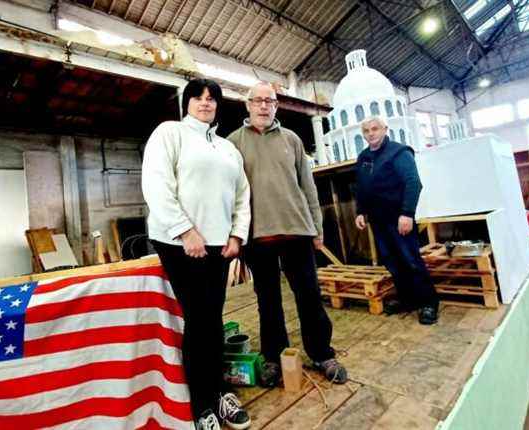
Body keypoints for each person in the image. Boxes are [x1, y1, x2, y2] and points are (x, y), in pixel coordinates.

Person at [142, 78, 251, 430]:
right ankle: (203, 405)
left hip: (219, 243)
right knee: (201, 320)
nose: (205, 103)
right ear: (187, 102)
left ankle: (218, 393)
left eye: (212, 98)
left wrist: (237, 234)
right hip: (180, 243)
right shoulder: (169, 133)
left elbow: (241, 195)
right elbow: (156, 183)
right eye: (198, 97)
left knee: (213, 319)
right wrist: (184, 230)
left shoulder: (227, 148)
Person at [227, 82, 347, 388]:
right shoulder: (232, 143)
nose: (264, 106)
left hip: (297, 232)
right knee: (268, 301)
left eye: (270, 101)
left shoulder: (292, 140)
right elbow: (228, 193)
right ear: (248, 105)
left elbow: (308, 187)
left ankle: (322, 353)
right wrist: (235, 235)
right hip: (257, 236)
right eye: (258, 101)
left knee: (309, 296)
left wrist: (317, 229)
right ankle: (273, 357)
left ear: (276, 106)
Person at [353, 116, 439, 325]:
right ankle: (408, 299)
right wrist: (360, 211)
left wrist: (407, 213)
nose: (371, 133)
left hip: (399, 218)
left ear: (385, 129)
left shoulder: (399, 152)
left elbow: (413, 183)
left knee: (410, 260)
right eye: (366, 131)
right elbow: (362, 188)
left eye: (375, 129)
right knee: (392, 261)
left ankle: (429, 303)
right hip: (378, 220)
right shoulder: (363, 157)